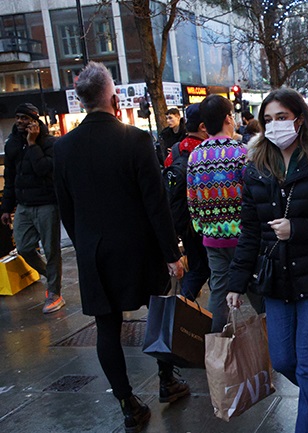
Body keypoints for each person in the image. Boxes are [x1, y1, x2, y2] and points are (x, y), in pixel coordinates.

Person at [53, 62, 189, 433]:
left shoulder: (63, 148)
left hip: (94, 252)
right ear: (113, 97)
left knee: (106, 328)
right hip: (140, 247)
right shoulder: (135, 140)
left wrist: (84, 244)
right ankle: (167, 380)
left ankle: (128, 403)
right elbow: (155, 204)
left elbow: (67, 208)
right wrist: (172, 253)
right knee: (159, 312)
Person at [226, 88, 308, 432]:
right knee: (284, 360)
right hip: (275, 278)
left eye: (281, 117)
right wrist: (236, 282)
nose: (274, 125)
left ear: (300, 119)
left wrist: (299, 228)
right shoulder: (256, 168)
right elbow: (249, 231)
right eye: (267, 119)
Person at [186, 94, 255, 333]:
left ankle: (215, 342)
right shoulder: (242, 152)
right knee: (258, 289)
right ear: (228, 118)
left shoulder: (196, 156)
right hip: (244, 237)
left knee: (218, 290)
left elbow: (192, 198)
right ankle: (273, 338)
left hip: (213, 237)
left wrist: (202, 228)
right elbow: (253, 195)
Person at [1, 103, 63, 313]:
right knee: (25, 247)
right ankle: (50, 275)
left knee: (51, 249)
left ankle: (54, 293)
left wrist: (33, 144)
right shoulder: (12, 144)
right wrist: (6, 208)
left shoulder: (49, 143)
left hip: (47, 204)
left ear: (35, 121)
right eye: (18, 117)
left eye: (25, 118)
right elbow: (10, 177)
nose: (20, 121)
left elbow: (45, 169)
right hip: (24, 205)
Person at [162, 103, 211, 301]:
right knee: (204, 270)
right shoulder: (204, 152)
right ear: (203, 126)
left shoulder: (175, 150)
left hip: (184, 222)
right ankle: (181, 314)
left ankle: (182, 309)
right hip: (204, 222)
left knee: (200, 268)